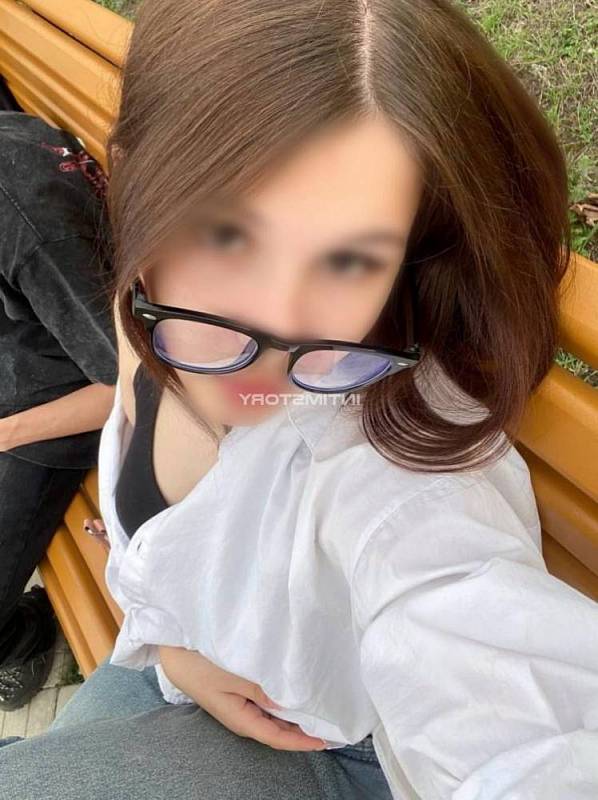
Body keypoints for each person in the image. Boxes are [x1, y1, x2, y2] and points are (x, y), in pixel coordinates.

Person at [1, 1, 598, 798]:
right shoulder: (138, 306)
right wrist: (170, 646)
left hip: (321, 746)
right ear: (133, 184)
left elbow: (512, 713)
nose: (276, 330)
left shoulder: (390, 459)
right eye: (226, 236)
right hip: (165, 663)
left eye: (350, 260)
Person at [0, 108, 118, 710]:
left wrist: (7, 432)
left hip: (53, 409)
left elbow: (136, 382)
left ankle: (20, 635)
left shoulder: (32, 229)